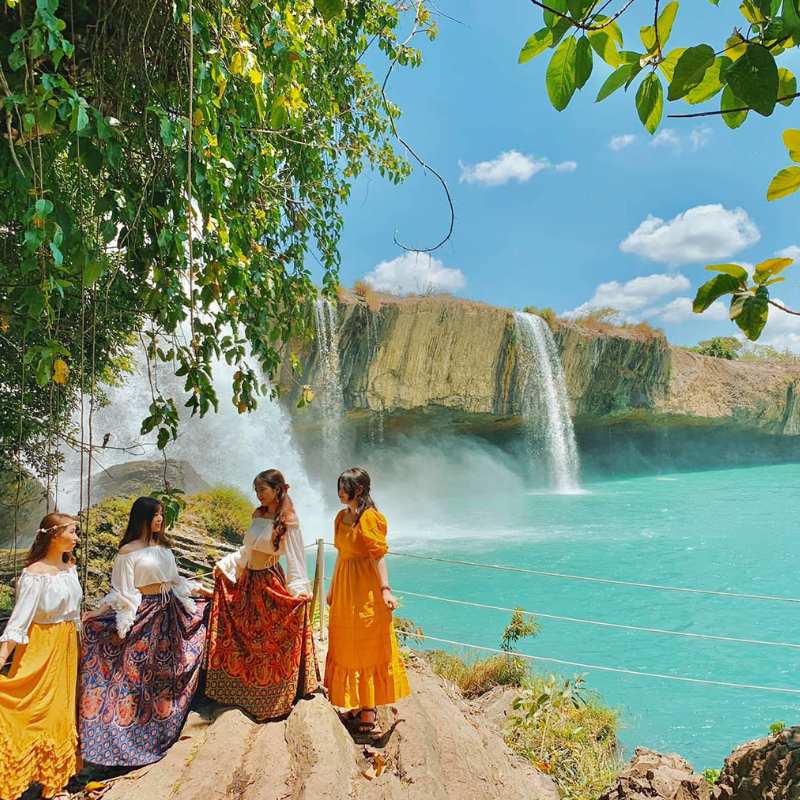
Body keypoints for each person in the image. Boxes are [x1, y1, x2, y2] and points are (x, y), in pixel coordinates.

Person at [78, 496, 211, 766]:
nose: (160, 519)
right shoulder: (128, 551)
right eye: (155, 515)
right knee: (139, 676)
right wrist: (98, 613)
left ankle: (171, 727)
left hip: (172, 610)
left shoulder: (163, 546)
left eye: (162, 514)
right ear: (142, 518)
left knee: (171, 670)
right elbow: (121, 590)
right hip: (146, 613)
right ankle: (134, 741)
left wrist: (202, 590)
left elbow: (175, 581)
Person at [205, 469, 318, 720]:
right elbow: (248, 550)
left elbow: (296, 558)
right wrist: (226, 566)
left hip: (269, 583)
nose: (258, 495)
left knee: (267, 643)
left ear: (278, 490)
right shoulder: (258, 514)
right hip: (248, 582)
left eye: (263, 490)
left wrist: (298, 591)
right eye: (256, 490)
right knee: (246, 639)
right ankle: (243, 694)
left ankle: (272, 699)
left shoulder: (288, 519)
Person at [0, 513, 82, 800]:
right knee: (31, 709)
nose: (76, 538)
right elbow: (19, 621)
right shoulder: (35, 573)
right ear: (54, 535)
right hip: (41, 645)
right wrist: (2, 656)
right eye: (72, 532)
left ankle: (54, 784)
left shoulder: (68, 565)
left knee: (59, 713)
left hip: (67, 644)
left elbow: (74, 611)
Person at [325, 467, 409, 733]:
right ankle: (356, 703)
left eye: (344, 487)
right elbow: (341, 554)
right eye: (338, 486)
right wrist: (331, 587)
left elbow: (378, 556)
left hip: (365, 589)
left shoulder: (369, 518)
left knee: (368, 645)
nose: (339, 492)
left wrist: (385, 589)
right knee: (347, 643)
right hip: (345, 586)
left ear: (359, 489)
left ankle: (370, 707)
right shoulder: (341, 517)